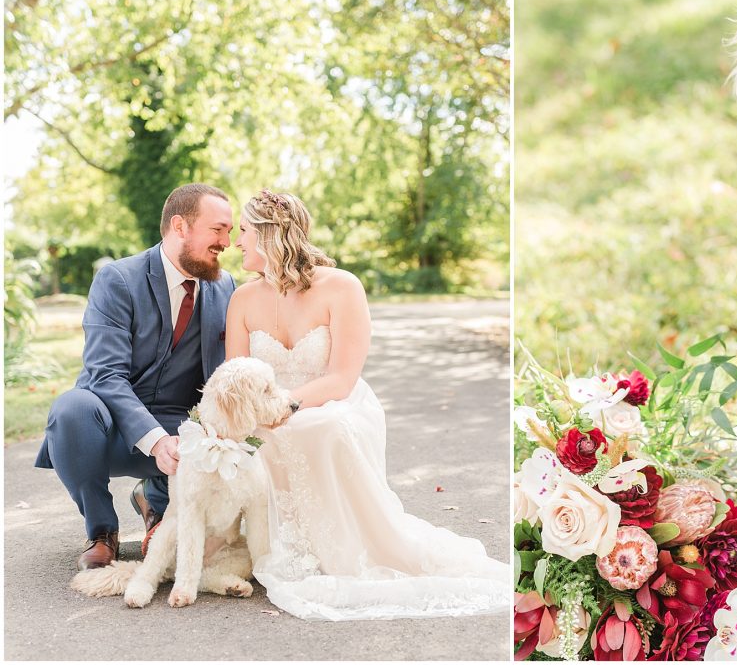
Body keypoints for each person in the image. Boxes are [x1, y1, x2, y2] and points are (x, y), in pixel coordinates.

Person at [226, 189, 508, 621]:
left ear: (269, 235)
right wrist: (256, 414)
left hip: (332, 402)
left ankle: (345, 550)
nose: (235, 241)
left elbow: (342, 377)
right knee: (253, 436)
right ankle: (281, 543)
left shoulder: (341, 287)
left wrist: (285, 406)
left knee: (321, 427)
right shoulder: (242, 299)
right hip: (267, 410)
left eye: (243, 231)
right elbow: (237, 374)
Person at [35, 184, 236, 570]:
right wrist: (157, 440)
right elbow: (104, 375)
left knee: (216, 431)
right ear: (180, 226)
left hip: (184, 427)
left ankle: (157, 505)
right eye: (218, 230)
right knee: (72, 408)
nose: (226, 241)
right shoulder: (118, 279)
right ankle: (102, 530)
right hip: (109, 427)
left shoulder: (224, 286)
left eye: (229, 231)